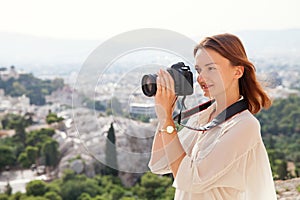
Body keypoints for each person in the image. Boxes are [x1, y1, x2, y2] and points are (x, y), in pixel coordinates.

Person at [148, 33, 277, 199]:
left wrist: (167, 119)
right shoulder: (202, 118)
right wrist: (165, 116)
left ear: (237, 71)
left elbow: (191, 179)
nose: (202, 78)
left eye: (211, 68)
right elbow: (159, 163)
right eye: (199, 70)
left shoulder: (244, 125)